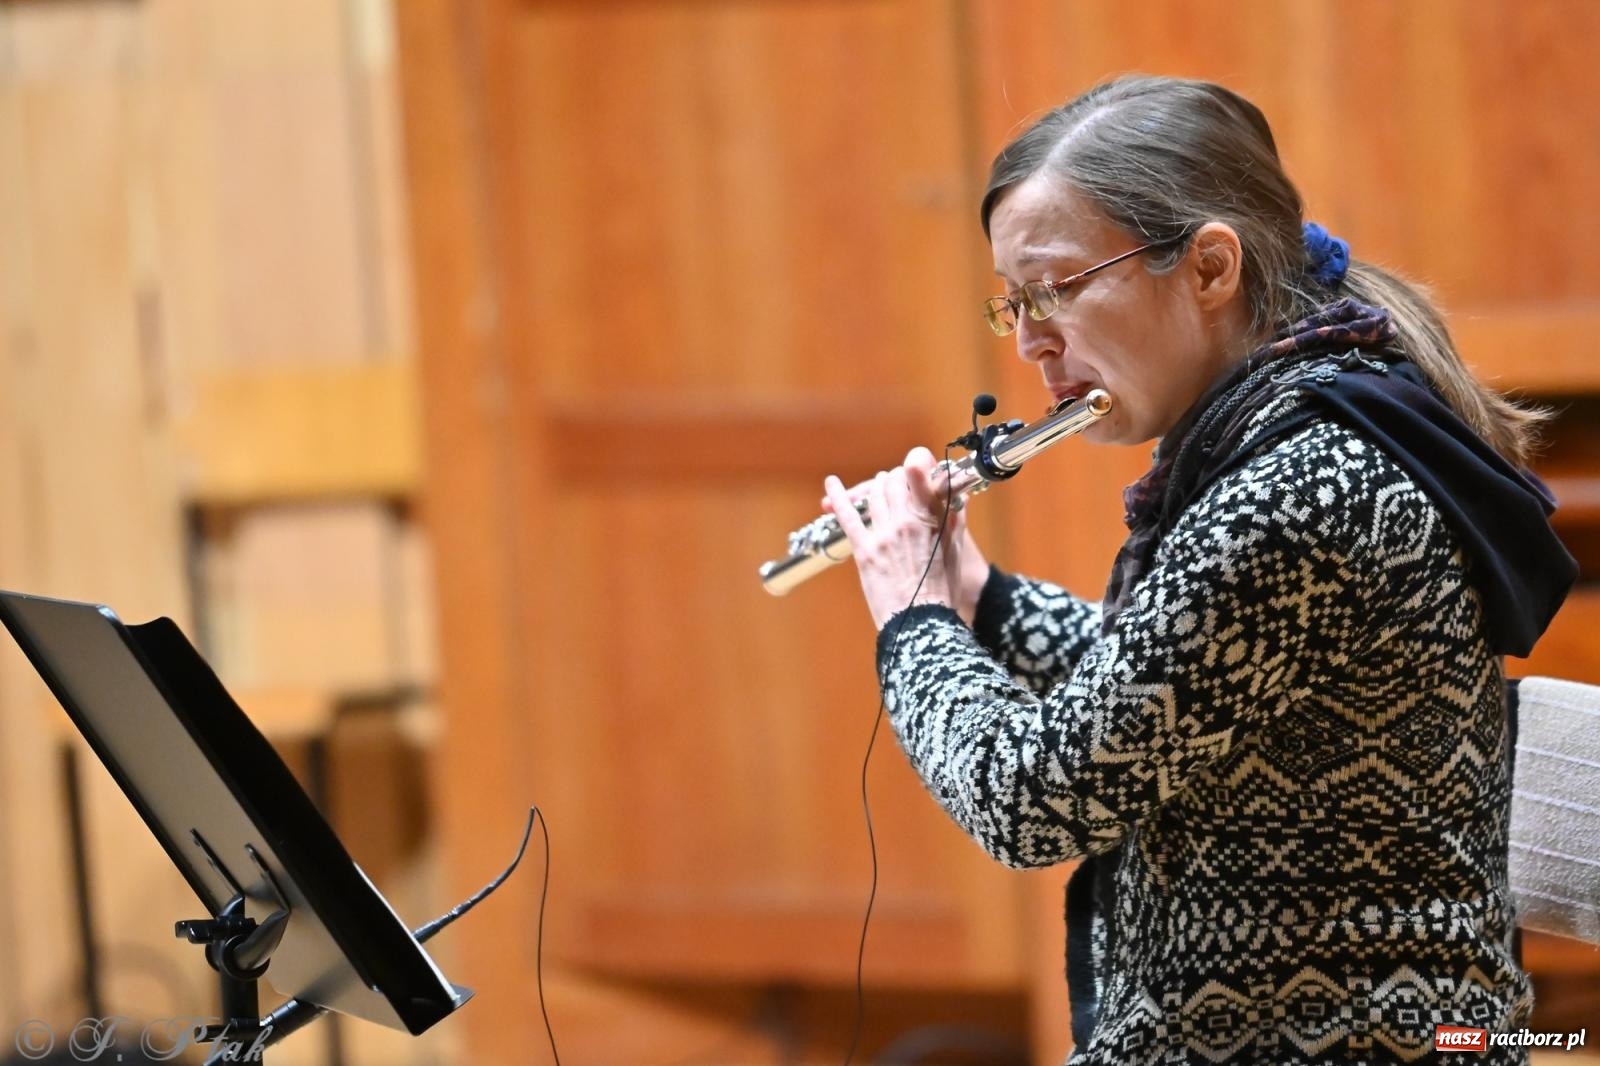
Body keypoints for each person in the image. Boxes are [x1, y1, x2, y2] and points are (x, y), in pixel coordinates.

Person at [821, 75, 1577, 1065]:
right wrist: (977, 594)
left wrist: (913, 616)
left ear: (1210, 267)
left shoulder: (1300, 487)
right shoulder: (1308, 423)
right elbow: (1169, 689)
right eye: (1014, 302)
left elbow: (1036, 800)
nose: (1031, 341)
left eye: (1054, 290)